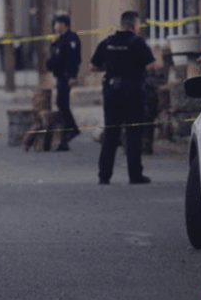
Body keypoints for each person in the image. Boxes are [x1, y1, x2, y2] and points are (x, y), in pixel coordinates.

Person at [90, 11, 156, 185]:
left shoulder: (108, 42)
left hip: (112, 91)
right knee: (133, 133)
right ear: (135, 25)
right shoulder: (138, 43)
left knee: (111, 133)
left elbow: (93, 66)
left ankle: (104, 175)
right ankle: (135, 175)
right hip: (132, 92)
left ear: (121, 24)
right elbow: (151, 65)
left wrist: (111, 68)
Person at [47, 13, 82, 151]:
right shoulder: (58, 40)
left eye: (57, 23)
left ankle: (72, 130)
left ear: (63, 25)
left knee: (62, 103)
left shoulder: (71, 39)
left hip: (67, 76)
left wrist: (73, 76)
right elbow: (55, 58)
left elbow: (74, 59)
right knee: (60, 103)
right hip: (60, 75)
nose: (55, 26)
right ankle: (66, 134)